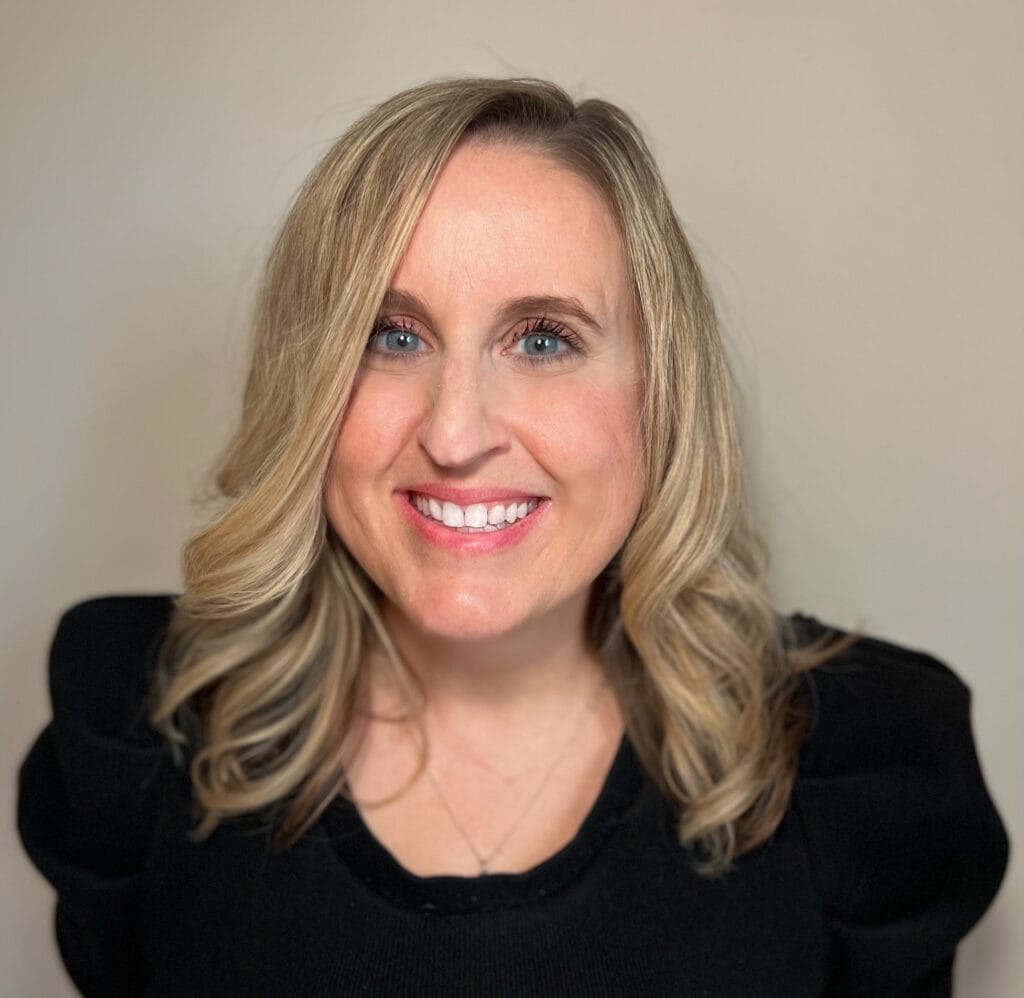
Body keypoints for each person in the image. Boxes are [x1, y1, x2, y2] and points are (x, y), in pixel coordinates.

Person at [18, 77, 1007, 997]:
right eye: (388, 334)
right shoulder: (143, 740)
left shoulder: (857, 775)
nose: (454, 434)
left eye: (542, 339)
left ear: (660, 396)